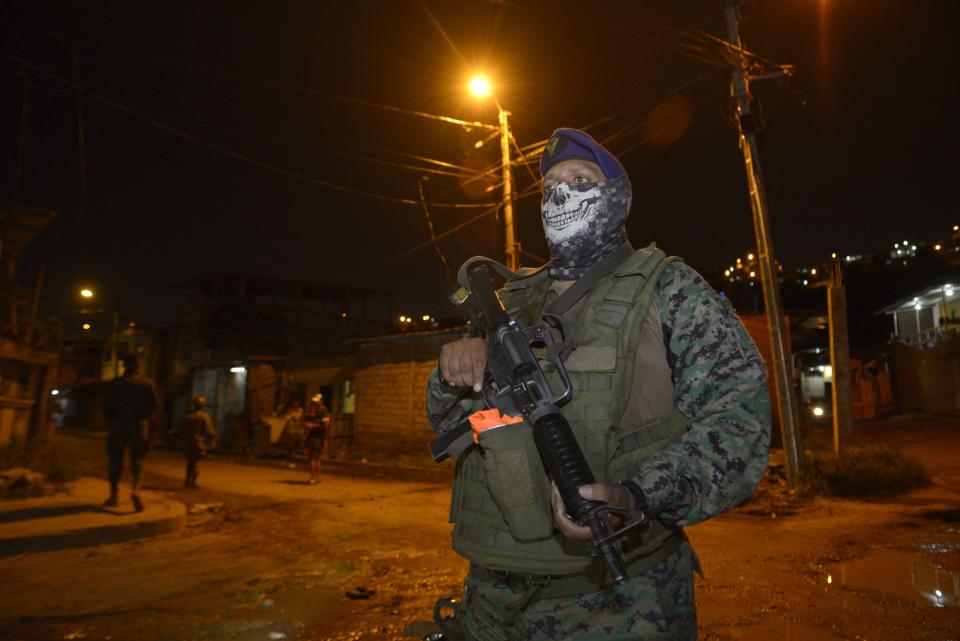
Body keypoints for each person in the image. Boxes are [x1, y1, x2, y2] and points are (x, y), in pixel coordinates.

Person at [425, 129, 771, 640]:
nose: (559, 196)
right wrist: (451, 374)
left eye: (579, 180)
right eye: (548, 188)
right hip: (491, 603)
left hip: (618, 607)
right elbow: (452, 427)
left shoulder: (668, 288)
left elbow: (739, 426)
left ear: (616, 199)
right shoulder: (510, 302)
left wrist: (637, 495)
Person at [100, 354, 158, 512]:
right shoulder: (147, 384)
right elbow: (153, 407)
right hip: (138, 427)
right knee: (138, 461)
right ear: (138, 366)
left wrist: (112, 422)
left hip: (118, 426)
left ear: (124, 366)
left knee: (115, 460)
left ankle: (113, 496)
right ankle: (136, 491)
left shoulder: (115, 384)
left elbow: (106, 407)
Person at [178, 395, 216, 489]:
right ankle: (192, 482)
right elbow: (209, 430)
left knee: (190, 461)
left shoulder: (188, 415)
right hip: (198, 442)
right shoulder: (204, 416)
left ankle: (187, 480)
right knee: (195, 463)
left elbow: (182, 430)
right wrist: (212, 441)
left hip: (188, 442)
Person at [303, 394, 330, 484]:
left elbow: (326, 425)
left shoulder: (323, 411)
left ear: (321, 401)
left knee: (313, 459)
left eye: (317, 401)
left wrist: (313, 426)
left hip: (317, 437)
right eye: (314, 401)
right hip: (313, 436)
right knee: (316, 458)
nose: (315, 403)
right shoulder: (313, 411)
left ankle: (313, 477)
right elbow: (306, 421)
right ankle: (316, 477)